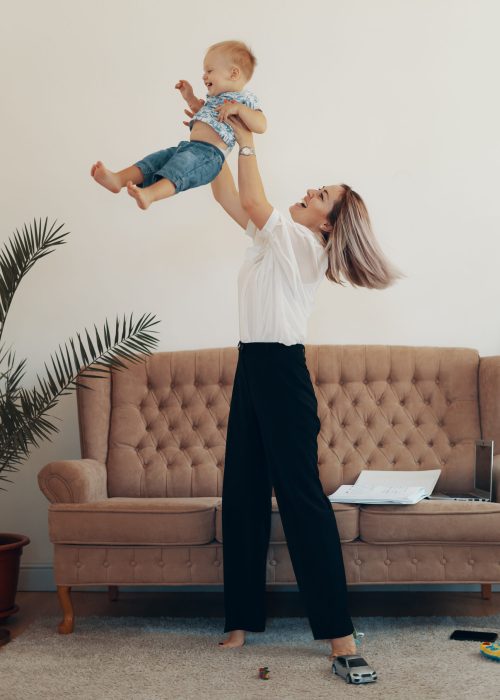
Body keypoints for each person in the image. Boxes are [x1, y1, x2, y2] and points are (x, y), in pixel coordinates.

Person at [183, 105, 405, 661]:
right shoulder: (272, 240)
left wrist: (249, 138)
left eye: (321, 196)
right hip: (252, 369)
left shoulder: (304, 247)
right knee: (242, 499)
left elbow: (256, 201)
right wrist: (209, 131)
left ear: (328, 224)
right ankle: (241, 621)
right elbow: (227, 197)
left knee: (303, 501)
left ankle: (340, 634)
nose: (310, 191)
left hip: (282, 375)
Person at [90, 40, 265, 210]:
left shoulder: (244, 99)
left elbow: (261, 125)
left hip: (209, 156)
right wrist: (189, 96)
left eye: (210, 70)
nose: (204, 76)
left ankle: (150, 194)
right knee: (156, 160)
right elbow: (201, 111)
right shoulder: (215, 99)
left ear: (233, 74)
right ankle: (118, 179)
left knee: (179, 170)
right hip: (190, 147)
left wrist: (239, 109)